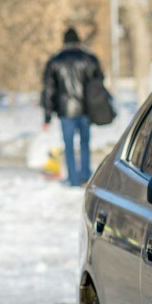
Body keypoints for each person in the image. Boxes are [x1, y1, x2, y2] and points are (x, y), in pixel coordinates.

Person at [42, 27, 105, 186]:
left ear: (63, 43)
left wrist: (47, 116)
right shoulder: (89, 59)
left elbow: (49, 90)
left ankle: (73, 178)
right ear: (78, 42)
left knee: (68, 146)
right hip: (85, 109)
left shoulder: (55, 61)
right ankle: (85, 175)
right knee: (85, 143)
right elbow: (99, 83)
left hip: (65, 111)